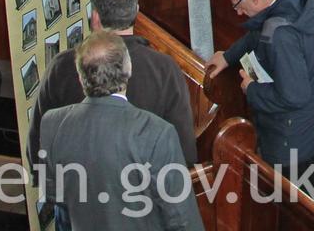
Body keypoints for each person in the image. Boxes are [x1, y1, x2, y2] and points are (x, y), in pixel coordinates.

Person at [29, 0, 198, 171]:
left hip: (76, 193)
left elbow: (37, 149)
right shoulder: (165, 69)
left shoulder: (60, 67)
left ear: (95, 17)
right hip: (144, 194)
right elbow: (184, 153)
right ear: (136, 11)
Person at [35, 32, 196, 231]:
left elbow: (54, 194)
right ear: (128, 69)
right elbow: (183, 221)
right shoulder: (158, 132)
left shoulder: (52, 123)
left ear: (80, 76)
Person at [203, 0, 314, 179]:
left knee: (295, 201)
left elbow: (295, 96)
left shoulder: (281, 36)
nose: (239, 13)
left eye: (238, 5)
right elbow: (257, 32)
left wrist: (251, 89)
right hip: (306, 123)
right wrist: (228, 56)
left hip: (292, 139)